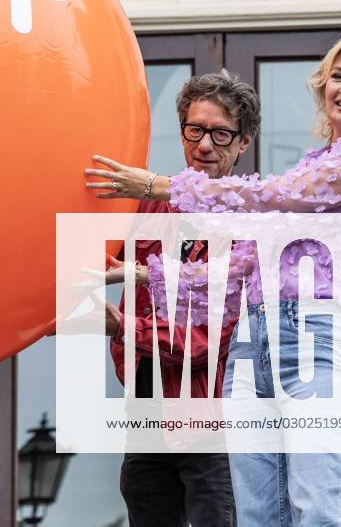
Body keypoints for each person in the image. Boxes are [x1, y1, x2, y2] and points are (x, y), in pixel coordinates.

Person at [85, 30, 341, 527]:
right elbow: (243, 268)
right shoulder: (315, 164)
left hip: (312, 338)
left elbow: (268, 198)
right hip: (250, 349)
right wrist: (139, 270)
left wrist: (156, 183)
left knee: (317, 500)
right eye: (338, 76)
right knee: (261, 515)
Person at [103, 70, 257, 527]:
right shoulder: (148, 205)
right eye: (195, 129)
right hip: (148, 414)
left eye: (221, 133)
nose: (205, 144)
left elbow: (209, 335)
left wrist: (119, 326)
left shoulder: (245, 219)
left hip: (212, 424)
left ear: (244, 142)